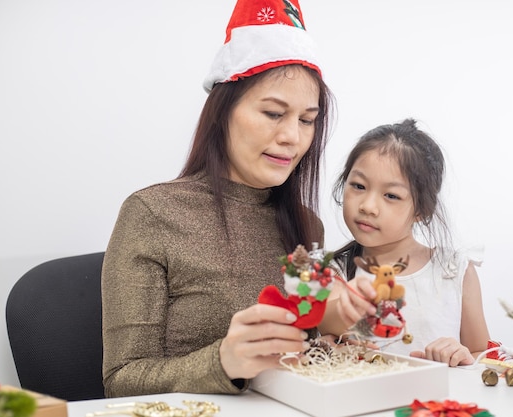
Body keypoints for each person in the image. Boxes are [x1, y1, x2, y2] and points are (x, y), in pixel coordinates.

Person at [101, 0, 335, 397]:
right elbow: (121, 380)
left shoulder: (307, 224)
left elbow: (302, 352)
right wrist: (223, 361)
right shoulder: (152, 215)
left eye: (307, 120)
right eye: (274, 113)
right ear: (223, 113)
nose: (293, 138)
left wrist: (331, 340)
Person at [318, 118, 490, 367]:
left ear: (422, 209)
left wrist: (461, 355)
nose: (367, 206)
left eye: (391, 195)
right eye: (358, 185)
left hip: (435, 403)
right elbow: (327, 317)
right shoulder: (332, 272)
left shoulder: (454, 270)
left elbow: (483, 356)